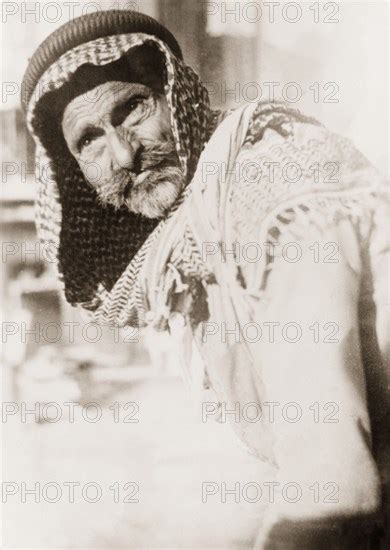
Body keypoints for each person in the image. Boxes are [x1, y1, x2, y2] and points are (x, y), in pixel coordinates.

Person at [22, 9, 389, 549]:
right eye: (91, 142)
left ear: (176, 96)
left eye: (133, 108)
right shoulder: (196, 229)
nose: (125, 154)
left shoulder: (274, 183)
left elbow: (330, 492)